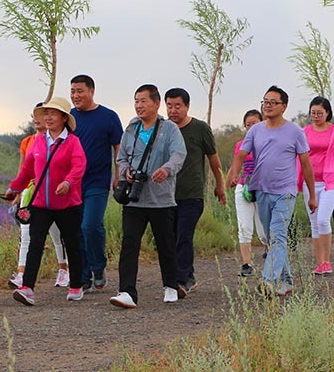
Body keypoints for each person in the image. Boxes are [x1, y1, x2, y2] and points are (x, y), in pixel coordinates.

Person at [226, 86, 317, 297]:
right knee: (271, 237)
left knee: (277, 235)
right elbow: (241, 155)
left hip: (285, 192)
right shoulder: (255, 131)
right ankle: (286, 282)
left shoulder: (295, 132)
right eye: (265, 101)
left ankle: (268, 281)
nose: (267, 105)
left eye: (273, 102)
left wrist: (312, 195)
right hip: (261, 189)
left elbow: (306, 164)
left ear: (284, 107)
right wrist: (233, 173)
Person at [109, 85, 188, 309]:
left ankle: (171, 285)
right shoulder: (131, 129)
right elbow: (121, 157)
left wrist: (167, 169)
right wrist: (126, 172)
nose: (139, 105)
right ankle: (126, 292)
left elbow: (179, 154)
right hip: (134, 198)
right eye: (136, 101)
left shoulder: (169, 129)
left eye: (143, 101)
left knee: (165, 243)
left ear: (156, 103)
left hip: (161, 197)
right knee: (130, 243)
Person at [4, 98, 86, 306]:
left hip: (68, 204)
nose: (48, 118)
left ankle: (76, 285)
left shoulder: (73, 142)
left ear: (64, 118)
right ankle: (27, 288)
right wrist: (14, 187)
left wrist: (68, 183)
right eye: (45, 114)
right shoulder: (38, 141)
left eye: (53, 114)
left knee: (72, 244)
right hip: (41, 204)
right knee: (35, 244)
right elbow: (27, 170)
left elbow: (79, 166)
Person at [164, 87, 227, 293]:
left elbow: (213, 159)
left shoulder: (200, 128)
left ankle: (180, 281)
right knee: (170, 238)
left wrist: (220, 184)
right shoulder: (163, 129)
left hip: (192, 194)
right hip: (166, 195)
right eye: (169, 106)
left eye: (177, 106)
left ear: (187, 106)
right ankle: (188, 275)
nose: (173, 110)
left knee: (184, 235)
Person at [69, 74, 124, 293]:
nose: (75, 95)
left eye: (80, 91)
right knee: (76, 230)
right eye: (72, 91)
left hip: (98, 182)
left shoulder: (108, 116)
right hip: (72, 183)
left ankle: (98, 267)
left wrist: (118, 174)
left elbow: (118, 146)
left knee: (90, 226)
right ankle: (83, 277)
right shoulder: (70, 117)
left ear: (92, 91)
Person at [8, 103, 69, 289]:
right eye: (33, 115)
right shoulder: (27, 142)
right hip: (30, 193)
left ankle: (64, 269)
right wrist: (17, 192)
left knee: (57, 234)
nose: (36, 119)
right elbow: (23, 170)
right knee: (26, 234)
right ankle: (21, 274)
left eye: (41, 115)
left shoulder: (59, 140)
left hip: (53, 192)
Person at [298, 97, 334, 275]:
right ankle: (320, 263)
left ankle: (327, 261)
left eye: (319, 113)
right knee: (314, 222)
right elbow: (298, 158)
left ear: (328, 113)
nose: (315, 116)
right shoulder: (304, 132)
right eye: (313, 113)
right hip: (310, 182)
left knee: (323, 219)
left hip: (331, 181)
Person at [233, 109, 266, 277]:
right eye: (248, 124)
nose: (251, 127)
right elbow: (236, 165)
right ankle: (247, 263)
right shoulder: (240, 145)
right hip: (244, 188)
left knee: (263, 231)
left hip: (263, 188)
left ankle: (269, 249)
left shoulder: (268, 143)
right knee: (244, 227)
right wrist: (228, 182)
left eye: (255, 123)